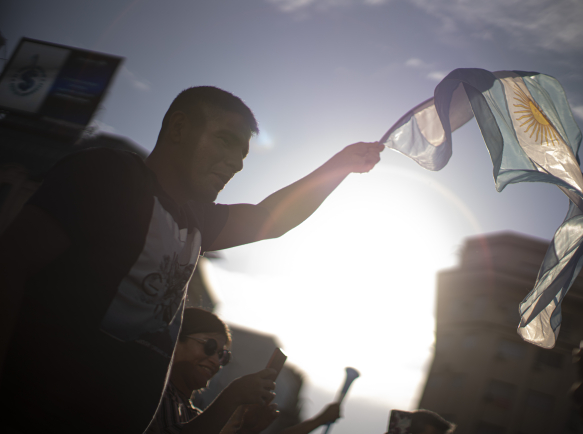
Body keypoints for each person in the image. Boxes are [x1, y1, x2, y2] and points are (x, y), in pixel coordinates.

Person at [0, 86, 384, 434]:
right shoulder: (112, 174)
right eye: (225, 141)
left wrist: (340, 166)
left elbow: (271, 219)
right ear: (179, 128)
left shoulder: (197, 219)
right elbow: (12, 262)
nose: (236, 163)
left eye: (243, 154)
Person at [147, 307, 340, 434]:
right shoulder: (148, 392)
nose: (215, 361)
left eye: (223, 356)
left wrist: (247, 429)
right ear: (176, 339)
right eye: (209, 346)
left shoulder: (191, 413)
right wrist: (232, 397)